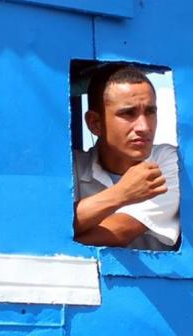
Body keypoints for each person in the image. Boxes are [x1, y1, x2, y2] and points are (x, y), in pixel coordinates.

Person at [73, 64, 180, 251]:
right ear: (95, 123)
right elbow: (49, 224)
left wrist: (65, 234)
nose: (144, 127)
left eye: (150, 112)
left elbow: (121, 231)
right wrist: (123, 193)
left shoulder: (166, 161)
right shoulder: (73, 166)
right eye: (128, 113)